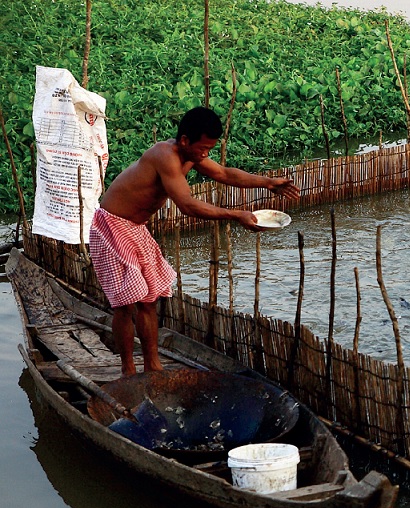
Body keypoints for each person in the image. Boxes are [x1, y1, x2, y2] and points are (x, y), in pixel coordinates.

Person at [90, 106, 300, 377]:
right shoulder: (165, 156)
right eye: (203, 148)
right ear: (186, 140)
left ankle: (153, 364)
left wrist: (268, 182)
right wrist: (237, 215)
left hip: (135, 228)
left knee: (148, 300)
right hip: (112, 226)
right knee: (125, 305)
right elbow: (187, 205)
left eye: (209, 149)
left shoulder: (192, 154)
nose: (205, 155)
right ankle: (128, 369)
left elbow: (224, 174)